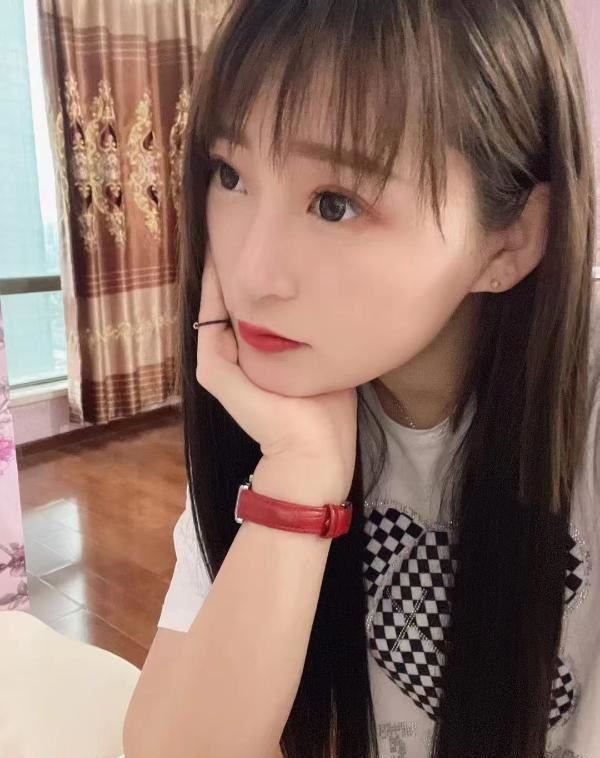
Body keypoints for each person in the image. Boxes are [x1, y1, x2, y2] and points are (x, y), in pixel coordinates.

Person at [123, 2, 600, 757]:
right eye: (231, 174)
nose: (252, 273)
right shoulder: (281, 396)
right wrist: (298, 474)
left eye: (335, 204)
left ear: (509, 240)